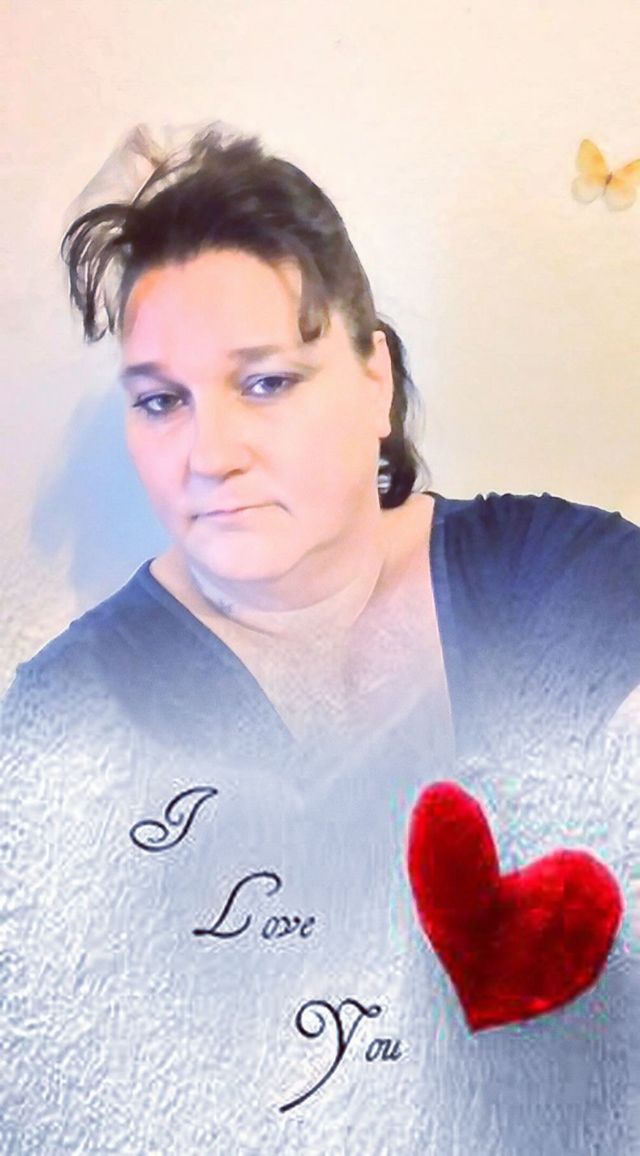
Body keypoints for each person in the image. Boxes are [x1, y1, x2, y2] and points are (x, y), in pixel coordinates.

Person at [2, 122, 639, 1155]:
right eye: (161, 400)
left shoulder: (552, 580)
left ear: (373, 377)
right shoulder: (71, 720)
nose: (209, 453)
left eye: (265, 382)